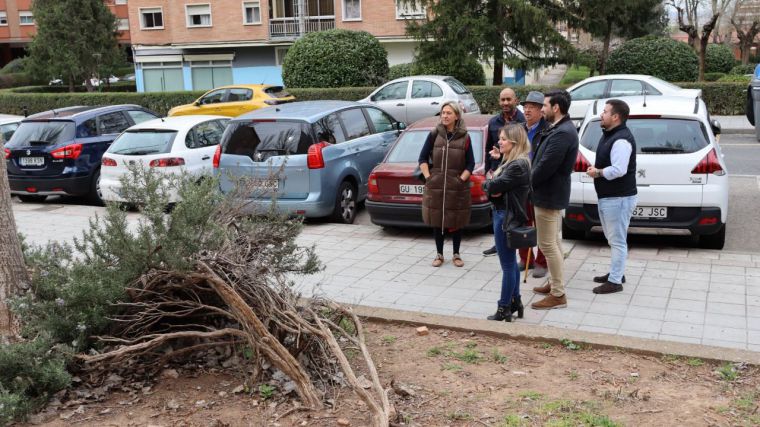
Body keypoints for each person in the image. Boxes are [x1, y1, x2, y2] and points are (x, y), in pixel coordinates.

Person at [530, 90, 579, 310]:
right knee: (554, 243)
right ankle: (553, 284)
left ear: (556, 108)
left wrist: (525, 183)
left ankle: (558, 294)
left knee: (548, 244)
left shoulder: (563, 133)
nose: (542, 109)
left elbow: (545, 166)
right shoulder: (559, 128)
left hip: (548, 194)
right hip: (549, 193)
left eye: (545, 105)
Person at [585, 99, 637, 294]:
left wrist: (597, 172)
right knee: (612, 238)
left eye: (605, 112)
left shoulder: (621, 139)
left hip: (619, 198)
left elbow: (619, 169)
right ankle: (617, 271)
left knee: (617, 239)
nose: (602, 114)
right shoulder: (610, 134)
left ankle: (615, 281)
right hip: (610, 197)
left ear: (615, 117)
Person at [484, 124, 531, 322]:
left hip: (505, 216)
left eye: (503, 139)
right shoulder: (514, 161)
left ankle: (504, 307)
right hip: (504, 213)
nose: (499, 142)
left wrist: (490, 181)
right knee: (510, 263)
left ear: (514, 142)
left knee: (508, 265)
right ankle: (515, 301)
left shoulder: (517, 165)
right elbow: (495, 186)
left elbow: (491, 185)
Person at [419, 101, 475, 267]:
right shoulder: (434, 134)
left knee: (456, 220)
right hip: (436, 186)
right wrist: (429, 177)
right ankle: (439, 254)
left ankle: (456, 254)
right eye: (443, 112)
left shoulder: (465, 136)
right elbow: (422, 158)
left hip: (457, 186)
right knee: (438, 220)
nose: (445, 116)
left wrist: (460, 180)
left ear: (456, 116)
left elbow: (470, 164)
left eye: (449, 113)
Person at [483, 87, 525, 257]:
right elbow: (488, 148)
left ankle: (515, 244)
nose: (505, 103)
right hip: (497, 171)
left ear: (516, 100)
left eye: (509, 99)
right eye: (503, 100)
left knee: (512, 212)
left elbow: (522, 149)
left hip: (513, 173)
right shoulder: (493, 122)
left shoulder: (522, 121)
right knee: (497, 209)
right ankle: (498, 242)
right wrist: (487, 170)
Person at [518, 91, 549, 279]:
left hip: (538, 184)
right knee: (521, 222)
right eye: (525, 106)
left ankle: (541, 261)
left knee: (541, 225)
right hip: (520, 184)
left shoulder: (547, 130)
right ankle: (525, 258)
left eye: (532, 107)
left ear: (541, 110)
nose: (527, 110)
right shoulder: (520, 129)